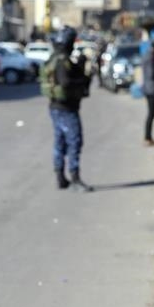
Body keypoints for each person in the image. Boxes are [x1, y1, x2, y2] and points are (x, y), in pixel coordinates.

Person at [41, 26, 93, 192]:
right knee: (74, 142)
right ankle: (74, 178)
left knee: (60, 142)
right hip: (66, 108)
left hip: (56, 107)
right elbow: (66, 82)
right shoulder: (62, 60)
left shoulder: (55, 57)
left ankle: (60, 177)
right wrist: (82, 78)